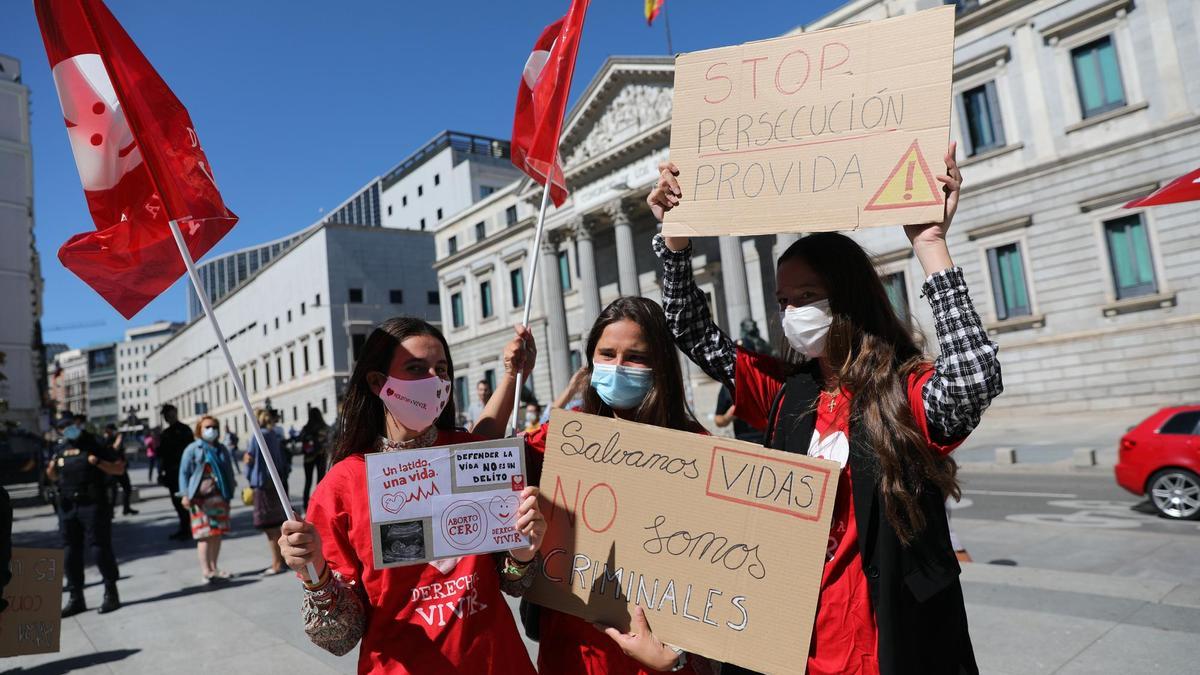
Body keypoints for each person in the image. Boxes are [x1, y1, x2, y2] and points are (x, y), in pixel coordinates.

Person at [647, 143, 1002, 675]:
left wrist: (930, 244)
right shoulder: (787, 393)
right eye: (782, 302)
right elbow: (693, 331)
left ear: (847, 297)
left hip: (892, 648)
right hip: (800, 650)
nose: (791, 313)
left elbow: (974, 379)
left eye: (806, 296)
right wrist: (675, 242)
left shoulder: (903, 394)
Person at [277, 318, 545, 674]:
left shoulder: (469, 453)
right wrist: (316, 574)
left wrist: (522, 553)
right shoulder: (342, 484)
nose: (433, 381)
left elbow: (512, 580)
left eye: (442, 370)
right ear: (377, 382)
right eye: (416, 369)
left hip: (497, 661)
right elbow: (339, 637)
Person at [522, 297, 713, 675]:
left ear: (661, 364)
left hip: (653, 663)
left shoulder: (698, 448)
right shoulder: (563, 439)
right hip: (573, 654)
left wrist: (675, 658)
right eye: (606, 354)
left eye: (635, 357)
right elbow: (482, 465)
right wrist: (514, 376)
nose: (618, 367)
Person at [47, 416, 124, 616]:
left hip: (93, 504)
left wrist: (97, 462)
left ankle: (111, 594)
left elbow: (118, 468)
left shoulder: (96, 443)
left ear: (77, 425)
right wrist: (51, 470)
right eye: (61, 427)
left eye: (69, 426)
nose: (66, 430)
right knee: (70, 552)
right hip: (67, 506)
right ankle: (76, 597)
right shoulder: (60, 447)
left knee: (99, 548)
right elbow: (53, 476)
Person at [178, 416, 237, 583]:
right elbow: (184, 473)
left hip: (219, 496)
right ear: (199, 429)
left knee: (217, 534)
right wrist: (184, 495)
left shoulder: (221, 449)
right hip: (199, 499)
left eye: (213, 426)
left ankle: (214, 567)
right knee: (204, 535)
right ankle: (206, 570)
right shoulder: (193, 449)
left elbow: (228, 471)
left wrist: (230, 490)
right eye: (207, 427)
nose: (211, 430)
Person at [244, 408, 292, 575]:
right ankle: (282, 560)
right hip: (276, 482)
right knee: (276, 524)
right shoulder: (273, 434)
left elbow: (249, 460)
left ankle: (277, 563)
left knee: (269, 526)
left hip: (262, 484)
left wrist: (248, 472)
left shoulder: (257, 436)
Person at [158, 405, 195, 541]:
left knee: (186, 500)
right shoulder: (165, 434)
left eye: (171, 414)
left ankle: (190, 527)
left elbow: (192, 451)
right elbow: (161, 455)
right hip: (172, 474)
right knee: (177, 502)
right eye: (167, 415)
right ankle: (184, 527)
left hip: (185, 472)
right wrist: (161, 473)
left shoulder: (185, 430)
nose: (169, 417)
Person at [102, 424, 137, 516]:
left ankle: (126, 508)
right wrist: (118, 439)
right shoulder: (105, 440)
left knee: (127, 488)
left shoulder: (116, 438)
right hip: (112, 468)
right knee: (113, 490)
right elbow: (114, 449)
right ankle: (111, 511)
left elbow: (120, 452)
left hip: (120, 467)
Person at [299, 407, 329, 511]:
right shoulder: (323, 428)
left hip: (308, 457)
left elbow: (300, 439)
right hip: (321, 456)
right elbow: (327, 442)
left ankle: (305, 505)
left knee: (308, 481)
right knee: (320, 482)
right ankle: (319, 504)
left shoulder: (306, 428)